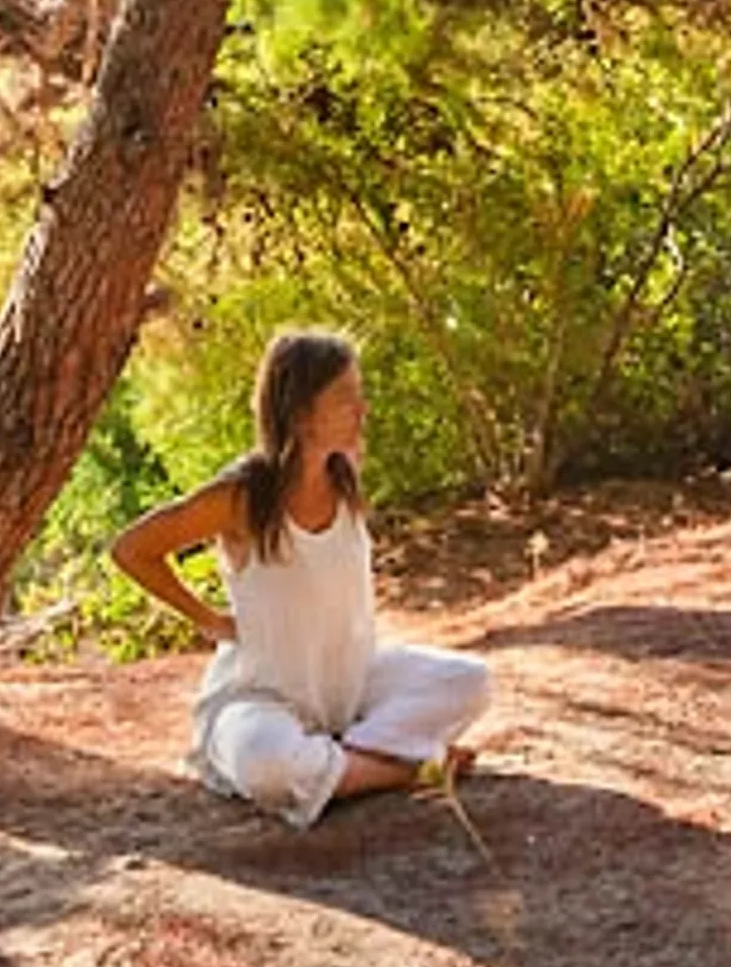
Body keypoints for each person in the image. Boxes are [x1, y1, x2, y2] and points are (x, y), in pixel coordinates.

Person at [108, 328, 492, 828]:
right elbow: (132, 550)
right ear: (302, 413)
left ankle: (341, 760)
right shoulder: (243, 496)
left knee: (471, 682)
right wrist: (208, 619)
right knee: (267, 764)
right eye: (346, 398)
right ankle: (403, 770)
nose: (363, 409)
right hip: (262, 698)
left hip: (347, 685)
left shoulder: (345, 473)